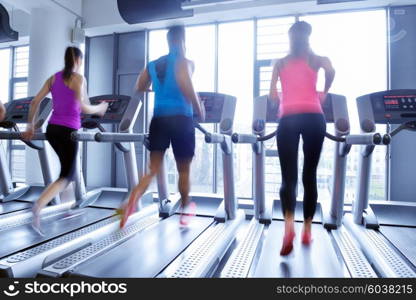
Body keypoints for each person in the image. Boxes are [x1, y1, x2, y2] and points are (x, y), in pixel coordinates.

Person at [119, 25, 205, 228]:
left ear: (168, 41)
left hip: (159, 119)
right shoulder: (187, 62)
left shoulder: (153, 64)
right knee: (183, 169)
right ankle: (185, 210)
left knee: (152, 169)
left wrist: (157, 89)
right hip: (181, 118)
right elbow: (186, 84)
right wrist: (198, 106)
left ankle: (130, 204)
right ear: (183, 40)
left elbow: (139, 87)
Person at [22, 46, 108, 235]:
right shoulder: (78, 79)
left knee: (66, 171)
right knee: (66, 175)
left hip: (52, 130)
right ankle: (38, 207)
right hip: (68, 131)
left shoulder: (54, 78)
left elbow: (35, 102)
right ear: (79, 60)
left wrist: (30, 126)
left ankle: (63, 207)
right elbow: (83, 107)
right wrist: (100, 108)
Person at [268, 21, 335, 256]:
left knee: (289, 178)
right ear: (309, 36)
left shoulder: (280, 62)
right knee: (310, 175)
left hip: (288, 119)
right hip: (314, 117)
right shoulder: (317, 59)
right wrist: (323, 92)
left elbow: (272, 95)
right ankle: (307, 229)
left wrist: (282, 97)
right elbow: (332, 71)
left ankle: (289, 228)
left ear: (290, 38)